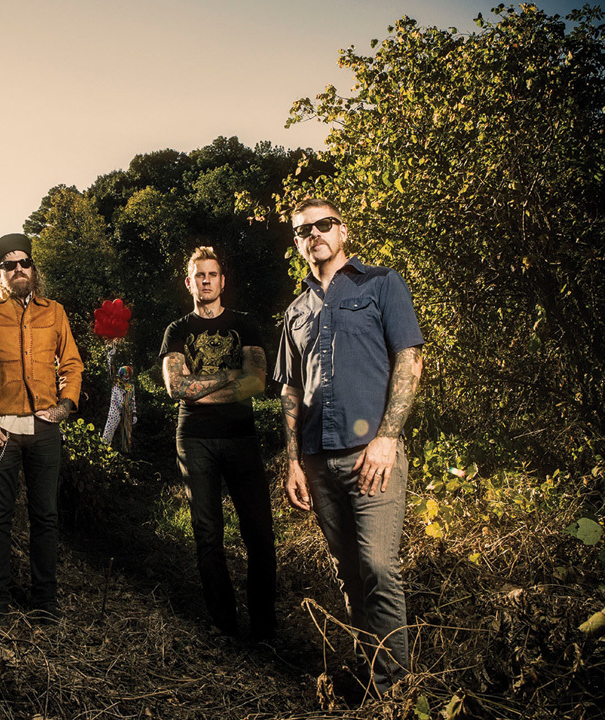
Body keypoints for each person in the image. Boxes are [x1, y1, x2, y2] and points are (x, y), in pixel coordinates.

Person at [273, 198, 424, 695]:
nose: (314, 233)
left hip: (371, 455)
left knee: (379, 566)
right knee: (349, 573)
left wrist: (388, 438)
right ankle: (371, 672)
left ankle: (396, 693)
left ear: (343, 230)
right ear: (297, 243)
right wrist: (293, 462)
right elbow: (291, 391)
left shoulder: (382, 283)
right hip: (317, 460)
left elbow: (409, 361)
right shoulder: (295, 311)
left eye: (323, 224)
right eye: (303, 230)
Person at [0, 233, 84, 624]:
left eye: (24, 262)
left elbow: (72, 364)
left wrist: (62, 408)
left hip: (44, 430)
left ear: (33, 267)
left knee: (45, 517)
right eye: (10, 265)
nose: (19, 269)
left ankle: (45, 603)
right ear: (0, 272)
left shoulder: (54, 311)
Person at [160, 246, 277, 642]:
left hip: (240, 437)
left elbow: (257, 381)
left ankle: (264, 626)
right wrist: (230, 377)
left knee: (259, 531)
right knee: (207, 533)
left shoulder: (244, 324)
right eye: (199, 275)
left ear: (222, 281)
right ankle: (224, 625)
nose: (206, 280)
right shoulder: (177, 330)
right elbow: (177, 386)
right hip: (194, 439)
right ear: (189, 282)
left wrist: (201, 388)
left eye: (213, 274)